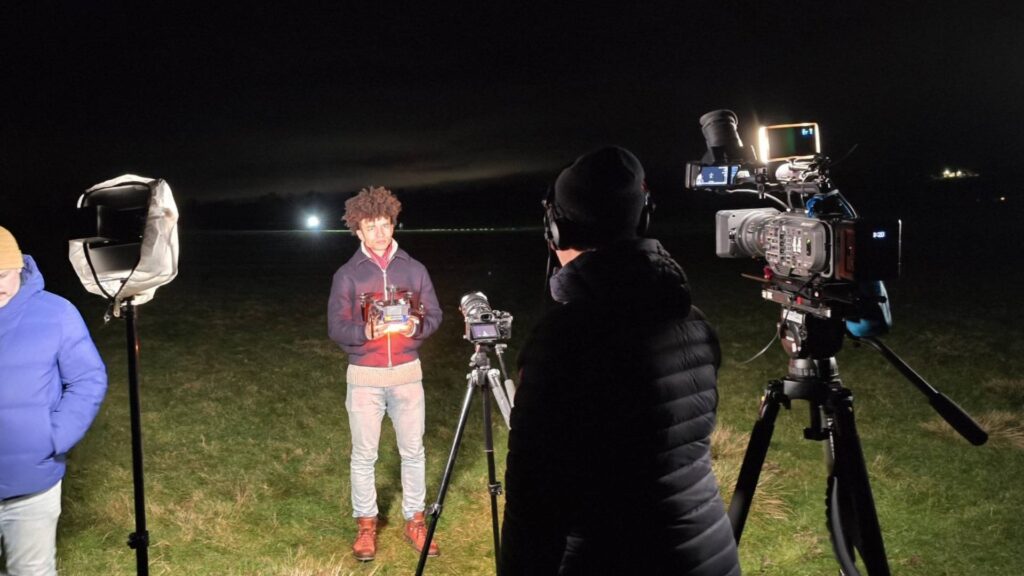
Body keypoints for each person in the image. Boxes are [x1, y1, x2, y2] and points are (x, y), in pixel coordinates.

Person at [500, 147, 742, 575]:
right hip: (706, 553)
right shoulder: (692, 321)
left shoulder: (564, 340)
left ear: (557, 228)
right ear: (641, 216)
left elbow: (534, 508)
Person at [327, 186, 443, 562]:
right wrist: (366, 332)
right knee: (364, 455)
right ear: (357, 231)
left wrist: (415, 327)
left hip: (408, 374)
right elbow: (336, 328)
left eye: (385, 224)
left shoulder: (415, 268)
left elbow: (435, 315)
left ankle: (415, 519)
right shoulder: (347, 275)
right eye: (370, 226)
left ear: (393, 224)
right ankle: (366, 524)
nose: (379, 232)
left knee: (414, 452)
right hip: (364, 377)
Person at [0, 226, 108, 576]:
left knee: (31, 571)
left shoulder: (56, 313)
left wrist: (52, 437)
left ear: (20, 267)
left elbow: (87, 379)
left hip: (31, 484)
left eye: (3, 274)